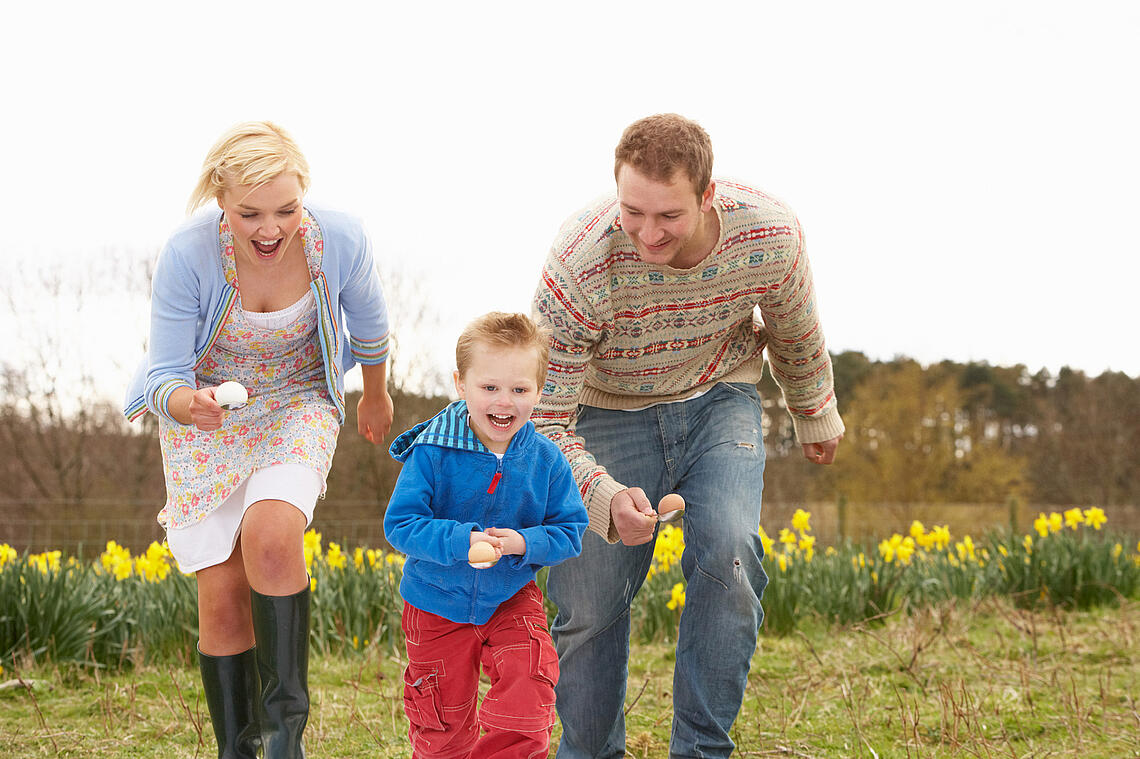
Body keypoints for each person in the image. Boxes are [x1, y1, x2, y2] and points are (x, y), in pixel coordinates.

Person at [532, 113, 845, 758]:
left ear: (707, 196)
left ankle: (700, 750)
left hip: (718, 396)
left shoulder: (769, 234)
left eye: (669, 216)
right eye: (632, 211)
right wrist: (600, 494)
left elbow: (793, 325)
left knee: (730, 553)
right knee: (589, 603)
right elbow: (542, 419)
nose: (648, 233)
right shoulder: (580, 263)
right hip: (605, 410)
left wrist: (812, 407)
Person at [123, 121, 394, 758]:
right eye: (249, 213)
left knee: (271, 535)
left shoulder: (341, 239)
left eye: (287, 209)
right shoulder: (187, 253)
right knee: (220, 599)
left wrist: (376, 394)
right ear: (220, 200)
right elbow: (163, 370)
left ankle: (283, 744)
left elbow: (373, 325)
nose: (270, 228)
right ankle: (235, 750)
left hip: (298, 401)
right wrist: (189, 405)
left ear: (305, 195)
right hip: (206, 414)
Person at [384, 312, 589, 758]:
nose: (504, 401)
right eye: (489, 387)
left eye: (519, 389)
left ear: (539, 389)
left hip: (511, 595)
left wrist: (522, 544)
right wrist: (462, 541)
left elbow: (571, 530)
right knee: (442, 724)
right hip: (435, 602)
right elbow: (400, 525)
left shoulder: (547, 460)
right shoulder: (433, 453)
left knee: (529, 680)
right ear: (461, 384)